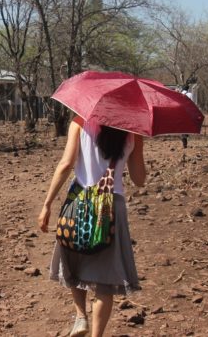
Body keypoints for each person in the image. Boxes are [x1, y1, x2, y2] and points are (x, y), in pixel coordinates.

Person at [37, 117, 146, 337]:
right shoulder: (132, 130)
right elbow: (139, 179)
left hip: (79, 199)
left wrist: (47, 204)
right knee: (105, 280)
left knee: (73, 259)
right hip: (112, 206)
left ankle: (80, 317)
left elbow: (66, 164)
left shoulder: (79, 122)